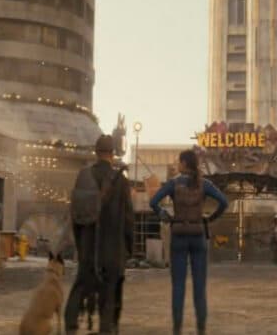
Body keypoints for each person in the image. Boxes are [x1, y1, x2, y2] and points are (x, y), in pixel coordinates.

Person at [149, 150, 229, 335]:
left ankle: (177, 330)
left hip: (178, 235)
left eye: (179, 162)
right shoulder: (204, 184)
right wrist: (210, 218)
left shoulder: (173, 183)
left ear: (184, 164)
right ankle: (201, 330)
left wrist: (164, 215)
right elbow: (224, 202)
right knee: (199, 287)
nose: (177, 165)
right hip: (198, 235)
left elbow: (153, 202)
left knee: (178, 286)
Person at [65, 135, 134, 334]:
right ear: (112, 154)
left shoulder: (84, 176)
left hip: (88, 245)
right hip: (112, 248)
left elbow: (75, 214)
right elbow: (129, 217)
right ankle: (106, 327)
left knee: (81, 284)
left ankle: (70, 325)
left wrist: (80, 243)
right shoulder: (121, 181)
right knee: (110, 290)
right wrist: (129, 246)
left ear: (96, 152)